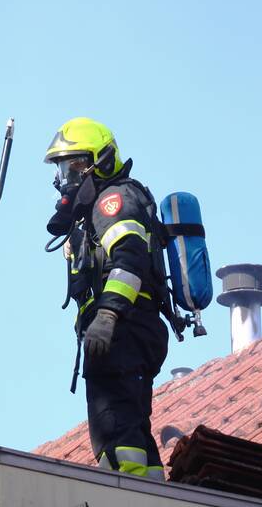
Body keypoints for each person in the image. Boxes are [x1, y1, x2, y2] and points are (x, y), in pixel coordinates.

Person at [44, 117, 169, 480]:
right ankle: (154, 496)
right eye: (62, 168)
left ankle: (126, 501)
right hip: (133, 331)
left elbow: (130, 260)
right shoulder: (96, 212)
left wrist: (107, 316)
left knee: (114, 430)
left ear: (102, 161)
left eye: (74, 166)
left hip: (122, 332)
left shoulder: (112, 201)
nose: (66, 178)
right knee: (132, 426)